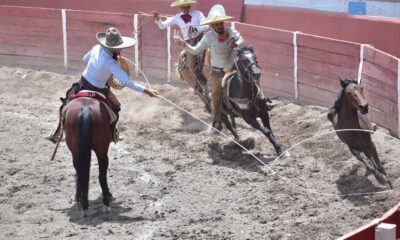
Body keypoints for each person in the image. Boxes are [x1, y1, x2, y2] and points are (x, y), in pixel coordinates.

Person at [46, 27, 158, 143]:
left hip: (82, 83)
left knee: (66, 104)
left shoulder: (96, 48)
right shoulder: (111, 62)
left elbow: (85, 59)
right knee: (116, 106)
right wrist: (146, 90)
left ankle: (58, 133)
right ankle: (112, 133)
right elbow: (126, 81)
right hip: (100, 89)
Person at [176, 4, 243, 132]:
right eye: (216, 24)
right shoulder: (209, 37)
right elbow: (195, 50)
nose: (219, 25)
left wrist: (237, 43)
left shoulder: (229, 31)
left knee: (249, 72)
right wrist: (184, 44)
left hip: (231, 64)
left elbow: (240, 38)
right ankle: (217, 121)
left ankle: (261, 101)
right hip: (216, 69)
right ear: (212, 26)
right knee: (215, 96)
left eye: (221, 23)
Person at [151, 0, 208, 93]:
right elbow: (162, 26)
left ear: (190, 6)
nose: (186, 9)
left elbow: (206, 25)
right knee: (191, 64)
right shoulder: (177, 17)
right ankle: (197, 85)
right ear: (180, 8)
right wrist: (158, 19)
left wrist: (196, 29)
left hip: (202, 39)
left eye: (187, 6)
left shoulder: (198, 13)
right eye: (183, 7)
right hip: (189, 43)